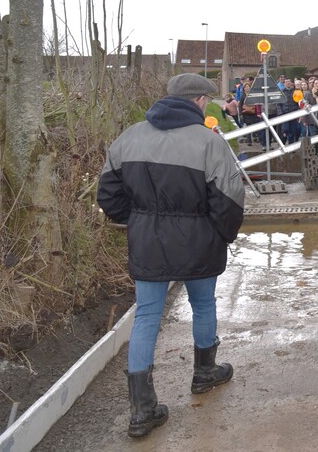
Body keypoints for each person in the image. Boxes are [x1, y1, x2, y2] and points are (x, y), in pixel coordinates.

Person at [97, 73, 245, 439]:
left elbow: (108, 196)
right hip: (198, 241)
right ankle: (205, 373)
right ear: (197, 102)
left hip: (148, 241)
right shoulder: (209, 143)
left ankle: (142, 410)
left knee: (147, 315)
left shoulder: (129, 137)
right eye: (206, 101)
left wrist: (139, 221)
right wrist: (221, 235)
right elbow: (229, 201)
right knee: (204, 304)